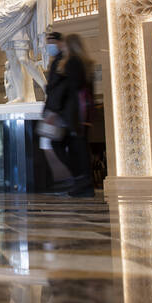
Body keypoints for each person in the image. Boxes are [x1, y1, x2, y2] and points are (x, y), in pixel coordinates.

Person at [40, 32, 94, 197]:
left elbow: (66, 88)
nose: (60, 46)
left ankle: (81, 179)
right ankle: (83, 183)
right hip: (76, 113)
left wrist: (55, 109)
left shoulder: (71, 62)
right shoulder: (84, 63)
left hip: (69, 113)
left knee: (62, 145)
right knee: (77, 147)